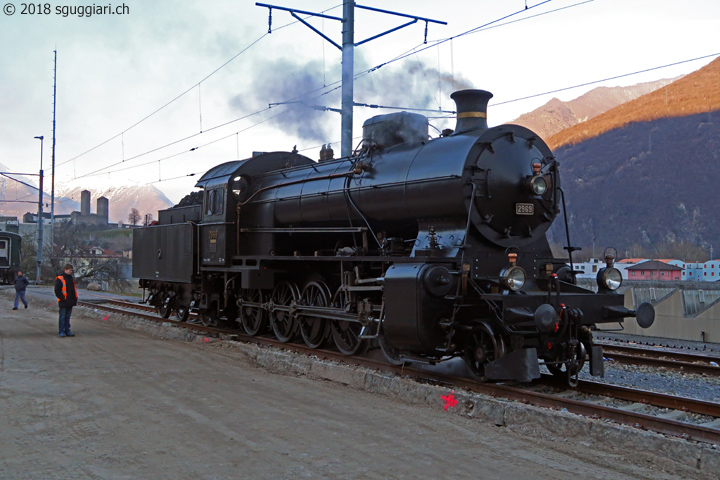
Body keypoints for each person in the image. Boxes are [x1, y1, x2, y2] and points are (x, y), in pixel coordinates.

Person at [54, 264, 78, 338]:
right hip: (63, 301)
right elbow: (57, 290)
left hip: (70, 301)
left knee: (67, 317)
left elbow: (73, 290)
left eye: (71, 270)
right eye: (69, 270)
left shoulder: (71, 279)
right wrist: (62, 298)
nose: (70, 271)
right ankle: (61, 331)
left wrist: (74, 299)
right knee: (62, 317)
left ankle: (67, 330)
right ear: (65, 269)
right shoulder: (60, 278)